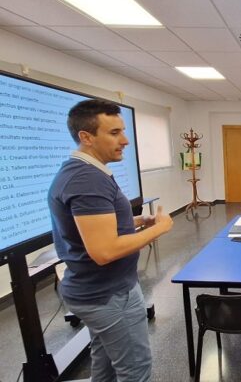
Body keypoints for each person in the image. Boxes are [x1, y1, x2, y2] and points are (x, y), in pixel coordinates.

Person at [48, 99, 173, 381]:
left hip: (99, 291)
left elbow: (97, 227)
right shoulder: (86, 180)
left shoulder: (86, 173)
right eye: (114, 133)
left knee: (104, 366)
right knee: (135, 369)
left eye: (123, 131)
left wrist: (138, 221)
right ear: (86, 137)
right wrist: (160, 228)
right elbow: (104, 250)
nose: (125, 140)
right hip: (108, 295)